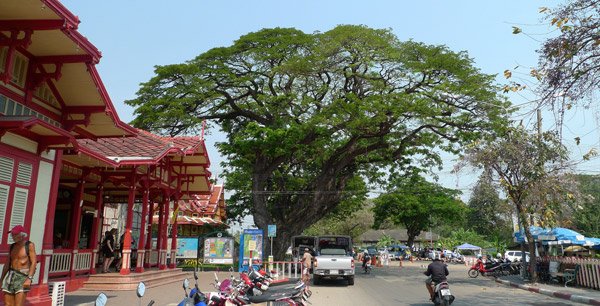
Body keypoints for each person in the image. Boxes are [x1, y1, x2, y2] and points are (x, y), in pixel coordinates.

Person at [1, 225, 37, 306]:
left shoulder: (29, 245)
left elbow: (34, 262)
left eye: (15, 234)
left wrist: (29, 279)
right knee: (7, 304)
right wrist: (1, 279)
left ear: (22, 235)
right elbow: (7, 264)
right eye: (12, 234)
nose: (13, 236)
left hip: (22, 277)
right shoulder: (12, 246)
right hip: (10, 276)